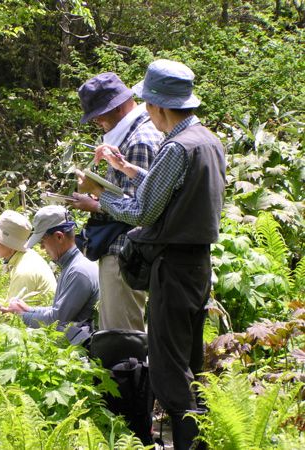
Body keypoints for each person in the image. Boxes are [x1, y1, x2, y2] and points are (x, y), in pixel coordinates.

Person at [77, 59, 225, 450]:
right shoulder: (206, 140)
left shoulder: (176, 146)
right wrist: (127, 170)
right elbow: (170, 189)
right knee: (191, 361)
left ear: (159, 106)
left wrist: (100, 197)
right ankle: (199, 439)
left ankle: (187, 443)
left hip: (172, 266)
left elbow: (142, 211)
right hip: (198, 264)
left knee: (168, 367)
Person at [70, 72, 163, 332]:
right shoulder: (133, 133)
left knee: (121, 335)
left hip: (125, 251)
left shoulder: (140, 140)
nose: (97, 121)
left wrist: (95, 198)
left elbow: (140, 210)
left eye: (100, 114)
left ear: (120, 106)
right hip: (123, 250)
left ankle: (127, 374)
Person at [2, 205, 99, 344]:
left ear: (59, 237)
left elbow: (57, 320)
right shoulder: (72, 265)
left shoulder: (78, 271)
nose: (41, 247)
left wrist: (20, 315)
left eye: (42, 241)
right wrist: (29, 309)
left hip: (80, 351)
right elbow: (57, 311)